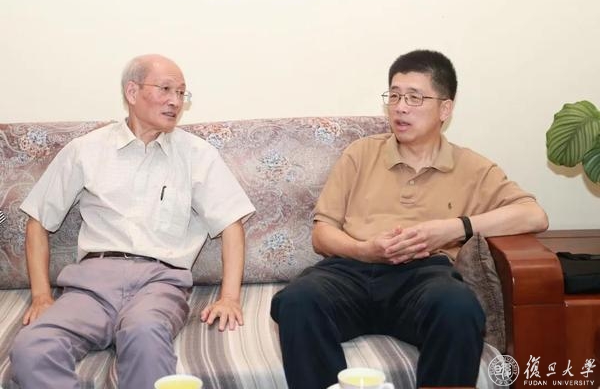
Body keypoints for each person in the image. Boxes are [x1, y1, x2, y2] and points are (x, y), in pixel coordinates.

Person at [270, 49, 548, 389]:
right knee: (297, 301)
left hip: (423, 278)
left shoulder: (472, 168)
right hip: (350, 272)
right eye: (394, 96)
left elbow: (534, 215)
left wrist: (453, 228)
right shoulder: (361, 153)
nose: (400, 107)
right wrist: (365, 250)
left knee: (459, 308)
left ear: (445, 108)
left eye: (415, 98)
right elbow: (322, 233)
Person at [10, 54, 255, 389]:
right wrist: (41, 295)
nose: (175, 101)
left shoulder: (197, 154)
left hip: (159, 283)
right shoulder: (86, 150)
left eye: (181, 93)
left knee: (145, 334)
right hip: (91, 286)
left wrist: (229, 297)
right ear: (132, 91)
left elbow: (231, 225)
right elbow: (38, 219)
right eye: (166, 89)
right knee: (30, 349)